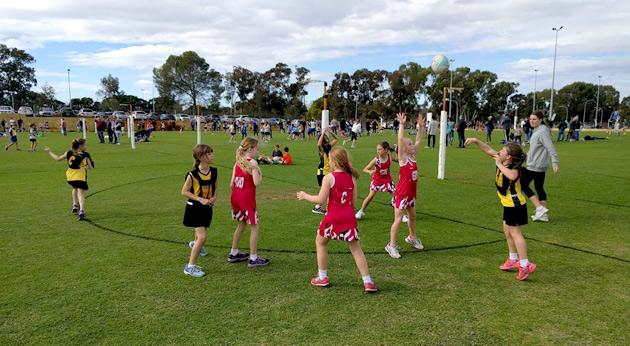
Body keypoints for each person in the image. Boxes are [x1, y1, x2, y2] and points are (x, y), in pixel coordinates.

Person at [297, 147, 377, 292]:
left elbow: (320, 199)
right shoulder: (351, 177)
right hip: (349, 217)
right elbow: (353, 200)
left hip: (333, 216)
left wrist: (305, 196)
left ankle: (322, 277)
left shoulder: (329, 178)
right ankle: (368, 281)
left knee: (320, 243)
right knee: (356, 248)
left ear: (333, 162)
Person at [464, 138, 537, 280]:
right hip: (507, 204)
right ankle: (513, 259)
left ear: (509, 156)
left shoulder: (513, 168)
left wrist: (498, 164)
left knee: (516, 233)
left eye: (503, 150)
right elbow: (487, 149)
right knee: (507, 230)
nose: (500, 151)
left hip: (515, 205)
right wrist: (476, 140)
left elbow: (512, 176)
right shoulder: (503, 160)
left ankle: (525, 263)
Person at [385, 113, 425, 259]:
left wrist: (421, 127)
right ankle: (391, 245)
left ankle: (412, 237)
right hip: (401, 194)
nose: (412, 145)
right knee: (398, 219)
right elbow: (400, 139)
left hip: (411, 193)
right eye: (409, 144)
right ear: (403, 148)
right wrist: (401, 124)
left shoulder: (413, 157)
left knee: (412, 216)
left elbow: (419, 139)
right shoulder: (402, 159)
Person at [229, 137, 270, 267]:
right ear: (250, 149)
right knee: (254, 227)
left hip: (236, 197)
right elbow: (256, 182)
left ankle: (234, 252)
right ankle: (253, 257)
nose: (258, 152)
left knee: (241, 225)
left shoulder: (238, 163)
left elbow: (231, 184)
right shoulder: (252, 162)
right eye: (257, 149)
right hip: (247, 199)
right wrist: (259, 172)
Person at [181, 144, 217, 277]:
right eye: (209, 153)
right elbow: (184, 192)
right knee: (202, 236)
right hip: (194, 208)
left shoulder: (214, 171)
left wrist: (213, 198)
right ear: (201, 157)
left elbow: (215, 187)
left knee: (201, 233)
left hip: (207, 208)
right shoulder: (193, 175)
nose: (212, 156)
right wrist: (200, 199)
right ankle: (190, 267)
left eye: (212, 153)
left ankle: (196, 245)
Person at [522, 111, 559, 222]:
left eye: (534, 119)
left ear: (540, 119)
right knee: (539, 187)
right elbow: (534, 149)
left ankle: (540, 208)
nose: (532, 121)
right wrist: (525, 158)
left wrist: (555, 162)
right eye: (530, 119)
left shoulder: (542, 131)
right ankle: (543, 215)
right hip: (537, 164)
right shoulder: (537, 130)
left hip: (536, 165)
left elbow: (550, 147)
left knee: (522, 184)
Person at [44, 138, 94, 221]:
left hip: (70, 175)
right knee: (81, 193)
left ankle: (74, 205)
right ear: (81, 146)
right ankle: (81, 211)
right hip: (79, 175)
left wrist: (49, 151)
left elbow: (58, 158)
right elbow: (91, 167)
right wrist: (86, 166)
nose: (86, 146)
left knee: (74, 188)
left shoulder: (69, 152)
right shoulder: (85, 154)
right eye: (85, 145)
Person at [355, 141, 399, 220]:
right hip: (377, 180)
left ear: (385, 150)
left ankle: (401, 215)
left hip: (387, 179)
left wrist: (397, 152)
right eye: (377, 149)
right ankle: (360, 211)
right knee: (371, 195)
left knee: (396, 196)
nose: (377, 151)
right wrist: (370, 171)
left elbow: (398, 160)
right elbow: (365, 169)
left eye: (379, 149)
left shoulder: (389, 157)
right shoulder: (376, 160)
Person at [314, 127, 338, 214]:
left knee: (330, 191)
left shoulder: (329, 146)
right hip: (322, 172)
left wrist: (331, 132)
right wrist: (323, 132)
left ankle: (322, 207)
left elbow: (337, 139)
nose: (327, 139)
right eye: (325, 138)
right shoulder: (322, 149)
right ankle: (318, 206)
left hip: (329, 172)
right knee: (326, 192)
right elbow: (318, 144)